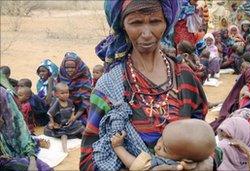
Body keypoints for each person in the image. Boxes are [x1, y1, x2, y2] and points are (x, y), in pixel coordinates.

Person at [81, 1, 209, 170]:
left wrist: (208, 161)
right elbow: (88, 159)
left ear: (166, 22)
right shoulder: (109, 87)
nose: (147, 33)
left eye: (155, 22)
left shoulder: (185, 77)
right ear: (123, 25)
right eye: (136, 23)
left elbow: (203, 138)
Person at [111, 119, 216, 170]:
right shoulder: (185, 154)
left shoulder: (166, 163)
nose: (158, 146)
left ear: (186, 160)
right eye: (161, 137)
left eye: (165, 149)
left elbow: (135, 164)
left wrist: (118, 147)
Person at [0, 86, 52, 171]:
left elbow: (22, 139)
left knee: (25, 164)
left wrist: (32, 160)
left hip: (13, 144)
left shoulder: (12, 121)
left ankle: (36, 142)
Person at [44, 83, 85, 152]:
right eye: (62, 93)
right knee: (63, 135)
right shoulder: (57, 103)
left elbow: (73, 109)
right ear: (56, 94)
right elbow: (50, 114)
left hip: (69, 123)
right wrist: (52, 122)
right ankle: (65, 149)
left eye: (67, 92)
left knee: (81, 127)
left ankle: (86, 140)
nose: (65, 95)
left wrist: (72, 117)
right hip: (60, 125)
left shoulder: (69, 101)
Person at [58, 52, 92, 125]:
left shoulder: (84, 78)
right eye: (67, 67)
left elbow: (86, 101)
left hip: (82, 109)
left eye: (72, 67)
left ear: (78, 67)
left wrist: (74, 117)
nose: (69, 70)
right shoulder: (62, 75)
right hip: (66, 108)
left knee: (87, 123)